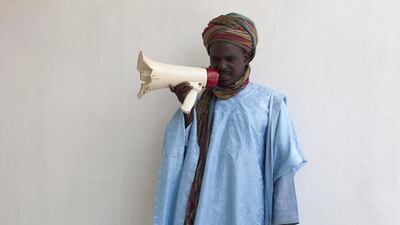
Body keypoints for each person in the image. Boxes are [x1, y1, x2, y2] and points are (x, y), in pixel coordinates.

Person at [152, 13, 306, 225]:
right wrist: (186, 110)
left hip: (247, 210)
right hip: (202, 212)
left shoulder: (270, 104)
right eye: (215, 59)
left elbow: (282, 168)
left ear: (246, 57)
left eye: (230, 58)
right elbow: (179, 153)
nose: (222, 65)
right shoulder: (201, 103)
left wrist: (285, 221)